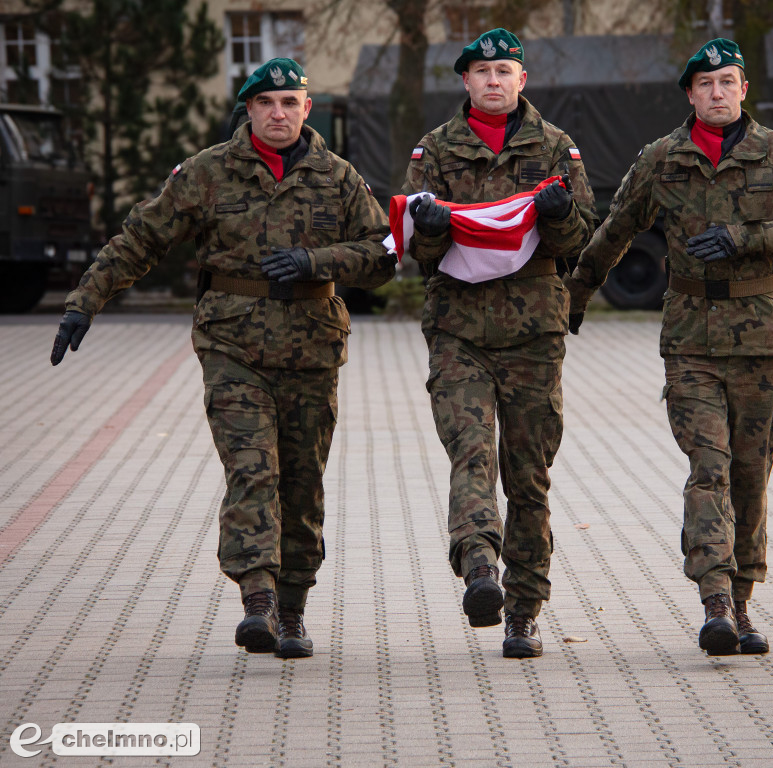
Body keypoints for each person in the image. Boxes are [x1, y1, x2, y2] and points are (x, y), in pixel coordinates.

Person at [50, 58, 395, 659]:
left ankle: (292, 610)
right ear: (250, 110)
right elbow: (141, 237)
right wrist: (85, 302)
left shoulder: (337, 176)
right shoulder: (209, 173)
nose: (280, 113)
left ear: (307, 108)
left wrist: (319, 263)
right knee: (251, 467)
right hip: (231, 345)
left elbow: (383, 256)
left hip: (311, 349)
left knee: (301, 481)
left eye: (290, 103)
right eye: (267, 104)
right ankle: (256, 598)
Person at [564, 38, 773, 656]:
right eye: (705, 84)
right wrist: (575, 295)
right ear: (690, 94)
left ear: (744, 89)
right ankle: (713, 598)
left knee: (750, 473)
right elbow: (616, 230)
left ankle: (742, 601)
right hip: (689, 339)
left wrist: (749, 237)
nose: (717, 93)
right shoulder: (663, 159)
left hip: (761, 340)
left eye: (728, 82)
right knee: (709, 466)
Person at [399, 28, 598, 658]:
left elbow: (580, 239)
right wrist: (430, 230)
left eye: (504, 70)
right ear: (465, 81)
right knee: (471, 452)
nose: (493, 80)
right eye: (481, 70)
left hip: (534, 336)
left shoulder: (558, 149)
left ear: (522, 80)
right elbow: (417, 251)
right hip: (459, 332)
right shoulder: (434, 152)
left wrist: (562, 216)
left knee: (528, 477)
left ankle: (523, 610)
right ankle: (479, 561)